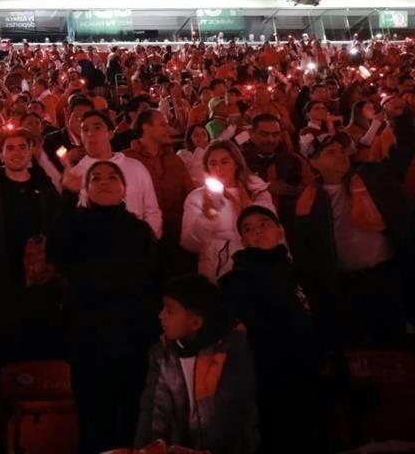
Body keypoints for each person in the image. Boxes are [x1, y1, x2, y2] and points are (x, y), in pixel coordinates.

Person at [49, 161, 159, 453]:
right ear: (86, 189)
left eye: (112, 177)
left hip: (133, 337)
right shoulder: (77, 225)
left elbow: (155, 280)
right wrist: (68, 196)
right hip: (89, 336)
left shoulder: (139, 230)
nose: (104, 182)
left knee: (133, 417)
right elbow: (57, 250)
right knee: (94, 419)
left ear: (124, 188)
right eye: (96, 178)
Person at [291, 126, 415, 347]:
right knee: (358, 345)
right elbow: (308, 255)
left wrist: (403, 120)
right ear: (314, 163)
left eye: (341, 150)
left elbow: (400, 156)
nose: (340, 155)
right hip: (346, 285)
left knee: (393, 340)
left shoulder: (372, 178)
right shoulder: (307, 204)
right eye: (330, 152)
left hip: (386, 275)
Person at [218, 206, 323, 453]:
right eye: (248, 229)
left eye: (264, 224)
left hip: (308, 370)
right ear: (242, 240)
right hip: (268, 377)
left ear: (280, 230)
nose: (258, 232)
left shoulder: (298, 272)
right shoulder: (236, 282)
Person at [0, 127, 64, 378]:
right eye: (10, 148)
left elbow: (58, 228)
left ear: (32, 151)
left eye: (23, 147)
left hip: (40, 283)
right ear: (1, 155)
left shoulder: (45, 188)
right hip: (2, 282)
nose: (17, 153)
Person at [135, 275, 258, 454]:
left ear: (196, 322)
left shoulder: (230, 352)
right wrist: (145, 449)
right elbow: (155, 410)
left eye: (170, 311)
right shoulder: (163, 355)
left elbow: (230, 416)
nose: (161, 315)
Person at [181, 141, 274, 282]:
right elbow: (189, 244)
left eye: (224, 162)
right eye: (213, 163)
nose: (218, 168)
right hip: (218, 273)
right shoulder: (198, 197)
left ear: (236, 163)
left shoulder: (256, 191)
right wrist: (207, 218)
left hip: (258, 269)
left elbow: (273, 231)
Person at [63, 110, 163, 239]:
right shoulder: (75, 175)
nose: (90, 133)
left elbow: (152, 210)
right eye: (85, 129)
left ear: (110, 133)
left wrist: (145, 240)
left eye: (97, 127)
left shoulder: (135, 167)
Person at [125, 109, 196, 275]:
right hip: (144, 241)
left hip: (176, 239)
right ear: (146, 128)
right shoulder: (128, 160)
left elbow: (190, 194)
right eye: (163, 125)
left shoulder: (174, 160)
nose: (168, 129)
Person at [241, 114, 312, 229]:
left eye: (275, 134)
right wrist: (263, 189)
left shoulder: (292, 159)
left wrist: (289, 190)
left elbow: (309, 190)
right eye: (264, 134)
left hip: (291, 224)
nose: (271, 140)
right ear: (251, 134)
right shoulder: (240, 161)